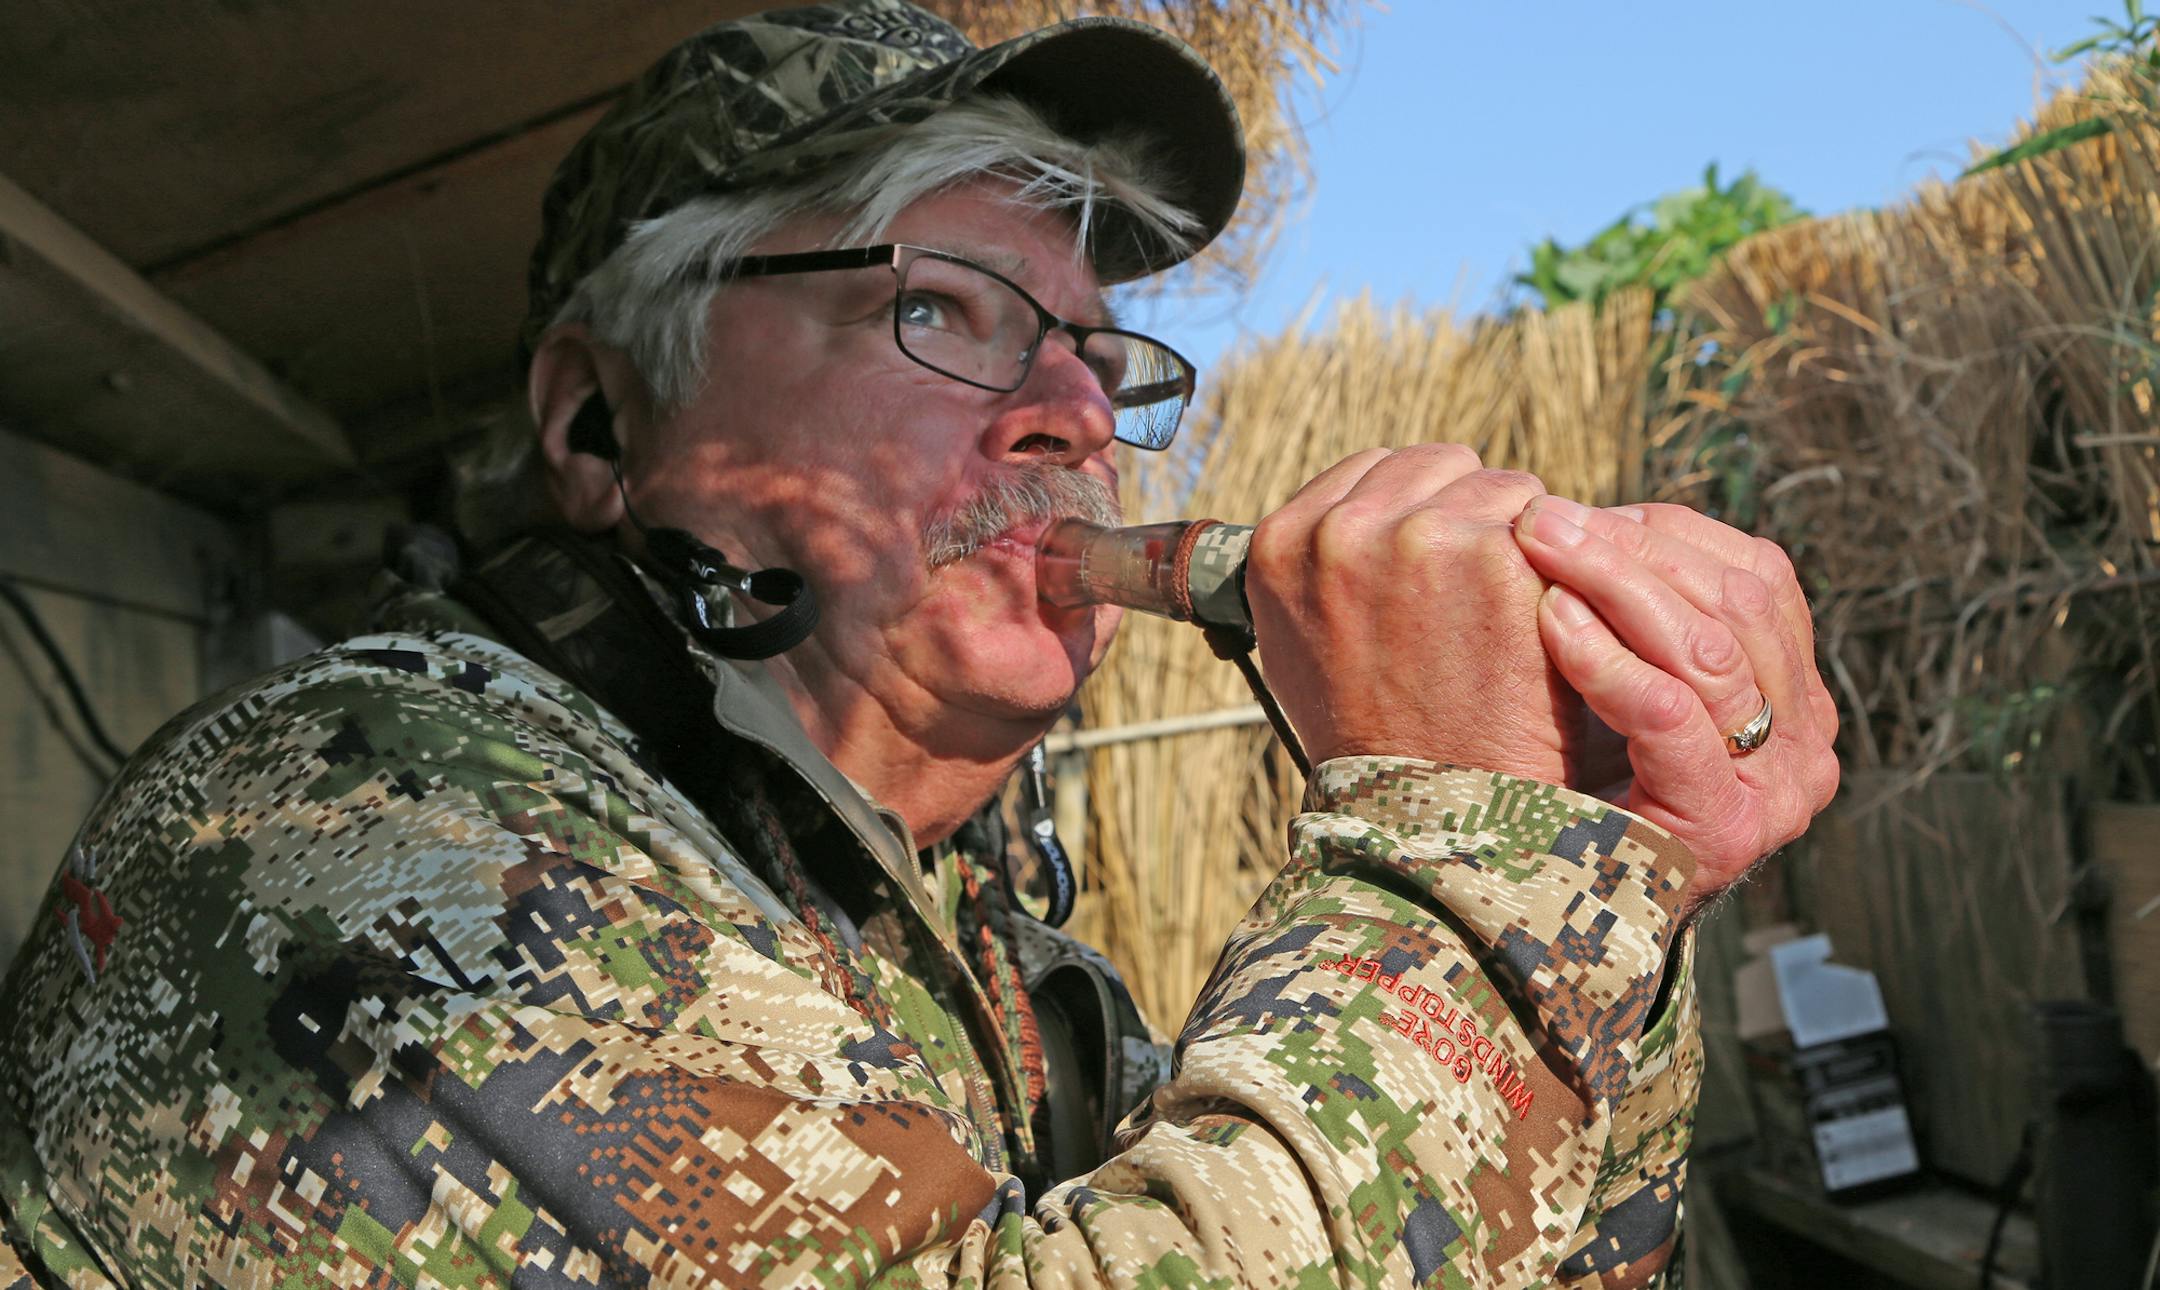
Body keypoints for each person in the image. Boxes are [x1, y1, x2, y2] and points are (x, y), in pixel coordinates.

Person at [0, 3, 1839, 1287]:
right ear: (596, 423)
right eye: (945, 305)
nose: (1073, 415)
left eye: (1099, 356)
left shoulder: (994, 977)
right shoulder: (338, 837)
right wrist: (1463, 858)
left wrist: (1609, 892)